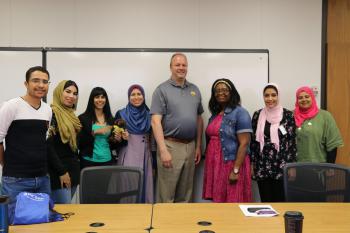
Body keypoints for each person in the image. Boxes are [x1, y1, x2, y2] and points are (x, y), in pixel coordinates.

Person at [150, 53, 204, 203]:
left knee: (186, 195)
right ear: (171, 67)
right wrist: (163, 150)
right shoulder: (161, 90)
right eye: (177, 65)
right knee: (167, 196)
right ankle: (165, 226)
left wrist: (198, 146)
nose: (181, 68)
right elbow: (155, 122)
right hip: (170, 146)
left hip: (190, 146)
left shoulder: (195, 90)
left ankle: (182, 226)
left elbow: (199, 119)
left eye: (184, 65)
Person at [0, 66, 52, 206]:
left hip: (43, 179)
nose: (41, 85)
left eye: (45, 81)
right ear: (26, 84)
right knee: (12, 223)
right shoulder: (11, 106)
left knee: (43, 222)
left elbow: (42, 141)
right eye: (36, 80)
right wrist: (7, 166)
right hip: (15, 181)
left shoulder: (47, 110)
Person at [202, 78, 252, 202]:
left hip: (230, 162)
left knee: (233, 200)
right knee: (219, 201)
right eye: (217, 91)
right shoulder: (215, 114)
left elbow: (244, 143)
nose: (220, 93)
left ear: (232, 92)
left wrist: (235, 170)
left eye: (224, 90)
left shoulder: (240, 113)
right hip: (215, 163)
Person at [250, 83, 296, 202]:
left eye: (273, 95)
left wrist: (291, 166)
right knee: (266, 201)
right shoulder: (257, 115)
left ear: (278, 96)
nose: (270, 98)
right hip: (262, 164)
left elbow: (291, 143)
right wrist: (252, 164)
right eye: (267, 95)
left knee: (280, 200)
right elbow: (253, 142)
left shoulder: (288, 115)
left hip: (281, 164)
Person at [115, 84, 154, 203]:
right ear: (128, 97)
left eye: (139, 94)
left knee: (145, 187)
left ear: (143, 96)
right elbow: (114, 140)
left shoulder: (150, 114)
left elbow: (153, 139)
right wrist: (120, 138)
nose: (136, 97)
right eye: (133, 94)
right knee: (128, 187)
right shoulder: (121, 114)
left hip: (146, 157)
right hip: (128, 155)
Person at [47, 80, 81, 204]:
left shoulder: (72, 116)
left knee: (68, 211)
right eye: (68, 91)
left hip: (73, 170)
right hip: (58, 172)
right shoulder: (51, 114)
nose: (71, 96)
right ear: (59, 92)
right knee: (62, 213)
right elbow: (48, 146)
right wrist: (61, 172)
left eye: (75, 93)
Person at [294, 86, 343, 163]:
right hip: (296, 165)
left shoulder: (325, 116)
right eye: (300, 98)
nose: (304, 99)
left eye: (307, 96)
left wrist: (330, 167)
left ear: (312, 98)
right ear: (297, 100)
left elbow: (332, 144)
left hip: (320, 165)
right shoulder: (291, 116)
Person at [78, 87, 120, 169]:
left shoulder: (112, 120)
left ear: (106, 100)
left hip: (107, 161)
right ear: (92, 99)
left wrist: (117, 140)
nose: (100, 100)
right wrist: (95, 132)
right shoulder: (83, 118)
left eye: (103, 97)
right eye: (97, 97)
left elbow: (113, 145)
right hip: (88, 161)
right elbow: (79, 144)